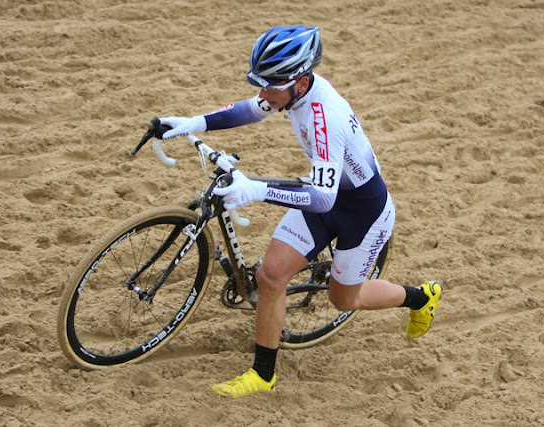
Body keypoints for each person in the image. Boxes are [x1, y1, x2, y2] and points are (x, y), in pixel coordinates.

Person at [158, 25, 442, 398]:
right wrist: (194, 123)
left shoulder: (326, 118)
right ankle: (263, 375)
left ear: (301, 82)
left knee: (344, 300)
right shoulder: (289, 92)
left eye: (271, 87)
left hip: (361, 212)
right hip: (325, 195)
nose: (263, 94)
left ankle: (420, 297)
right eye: (261, 83)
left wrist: (255, 190)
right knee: (271, 275)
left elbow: (323, 199)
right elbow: (252, 109)